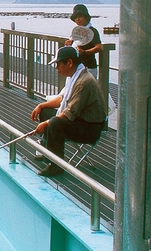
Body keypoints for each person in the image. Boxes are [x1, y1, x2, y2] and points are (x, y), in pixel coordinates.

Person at [30, 46, 107, 177]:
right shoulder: (75, 76)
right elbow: (61, 99)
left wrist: (47, 123)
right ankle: (49, 153)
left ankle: (56, 165)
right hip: (80, 120)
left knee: (54, 123)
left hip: (90, 128)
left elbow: (70, 112)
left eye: (59, 64)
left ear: (70, 63)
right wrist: (42, 106)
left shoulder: (83, 82)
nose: (56, 68)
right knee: (46, 112)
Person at [65, 4, 102, 79]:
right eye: (76, 18)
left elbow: (99, 47)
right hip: (75, 68)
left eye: (80, 17)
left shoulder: (92, 31)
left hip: (88, 68)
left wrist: (85, 52)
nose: (78, 19)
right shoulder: (77, 31)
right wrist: (70, 42)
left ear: (86, 17)